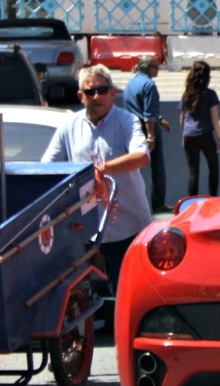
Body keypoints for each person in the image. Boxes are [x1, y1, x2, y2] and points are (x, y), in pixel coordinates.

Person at [41, 65, 151, 299]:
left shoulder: (126, 121)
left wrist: (104, 168)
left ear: (112, 93)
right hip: (85, 227)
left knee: (130, 291)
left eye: (102, 90)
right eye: (90, 92)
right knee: (89, 292)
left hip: (127, 226)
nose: (97, 97)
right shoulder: (69, 126)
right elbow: (48, 168)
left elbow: (142, 157)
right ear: (80, 96)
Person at [123, 55, 170, 212]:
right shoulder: (149, 85)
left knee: (133, 168)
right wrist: (151, 136)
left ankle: (131, 202)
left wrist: (160, 118)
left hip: (131, 128)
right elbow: (148, 113)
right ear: (148, 68)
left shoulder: (131, 82)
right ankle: (158, 204)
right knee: (158, 169)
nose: (158, 69)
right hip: (147, 129)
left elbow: (139, 107)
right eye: (156, 66)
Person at [180, 60, 220, 196]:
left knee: (193, 172)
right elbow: (214, 118)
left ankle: (191, 203)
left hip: (189, 135)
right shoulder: (210, 94)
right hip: (204, 135)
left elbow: (182, 118)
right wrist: (219, 137)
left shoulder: (186, 94)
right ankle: (213, 198)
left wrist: (184, 135)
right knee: (214, 168)